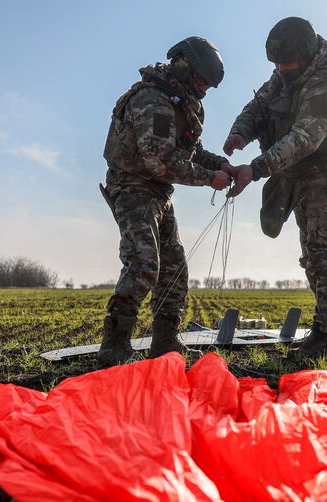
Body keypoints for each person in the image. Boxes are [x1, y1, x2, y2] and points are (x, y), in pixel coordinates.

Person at [224, 17, 327, 358]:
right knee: (310, 258)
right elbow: (258, 106)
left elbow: (303, 139)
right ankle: (322, 331)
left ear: (306, 55)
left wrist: (255, 169)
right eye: (276, 64)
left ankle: (325, 337)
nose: (280, 69)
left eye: (286, 63)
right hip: (298, 175)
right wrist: (240, 132)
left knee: (322, 254)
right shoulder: (285, 75)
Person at [98, 37, 234, 368]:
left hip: (158, 192)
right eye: (201, 80)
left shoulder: (183, 103)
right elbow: (160, 160)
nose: (203, 89)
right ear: (184, 67)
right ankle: (114, 346)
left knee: (174, 268)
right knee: (144, 264)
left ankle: (164, 341)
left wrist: (222, 166)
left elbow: (190, 150)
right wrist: (208, 178)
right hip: (132, 187)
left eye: (208, 85)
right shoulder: (152, 101)